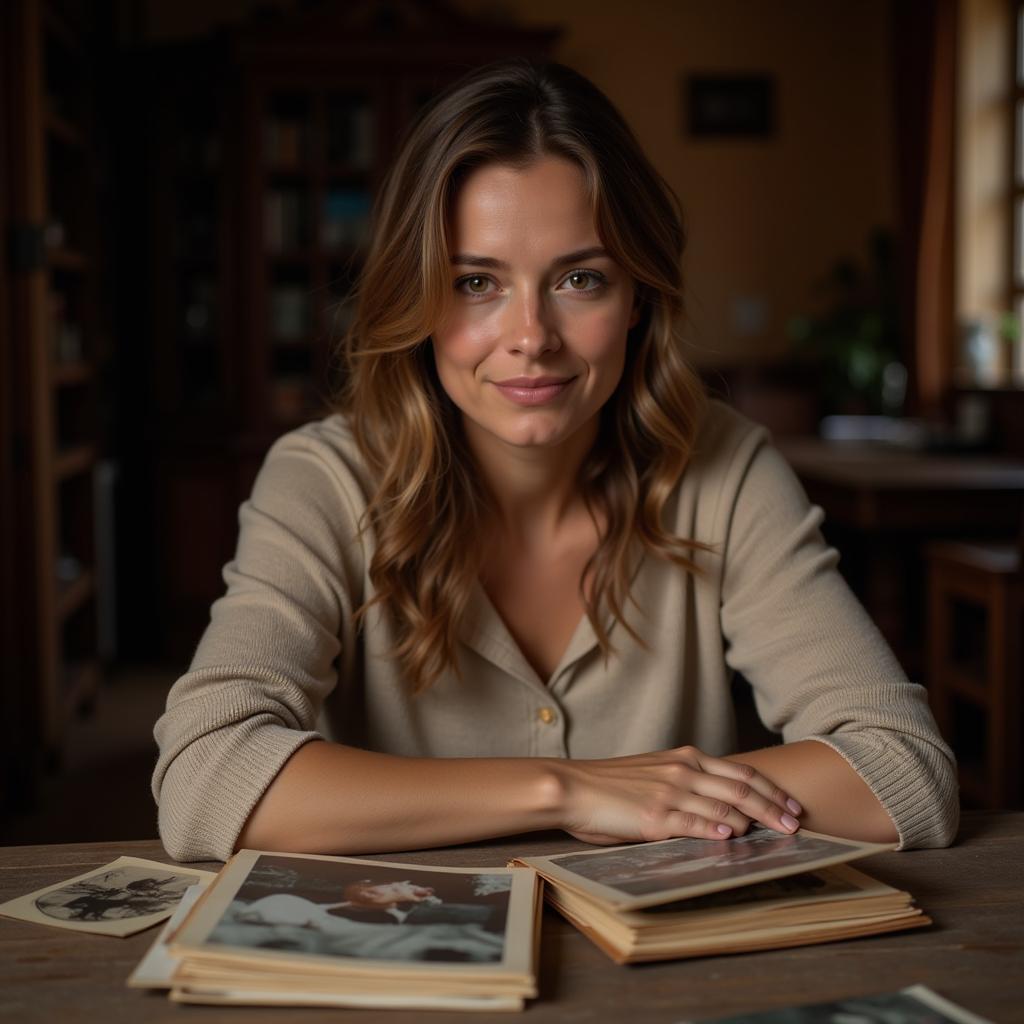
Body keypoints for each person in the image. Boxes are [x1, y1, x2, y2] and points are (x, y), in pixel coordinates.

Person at [152, 59, 958, 865]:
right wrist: (571, 788)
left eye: (580, 278)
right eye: (476, 282)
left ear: (637, 295)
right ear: (417, 299)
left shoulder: (725, 468)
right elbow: (204, 775)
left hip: (670, 979)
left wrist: (648, 797)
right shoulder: (322, 479)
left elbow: (902, 771)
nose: (531, 336)